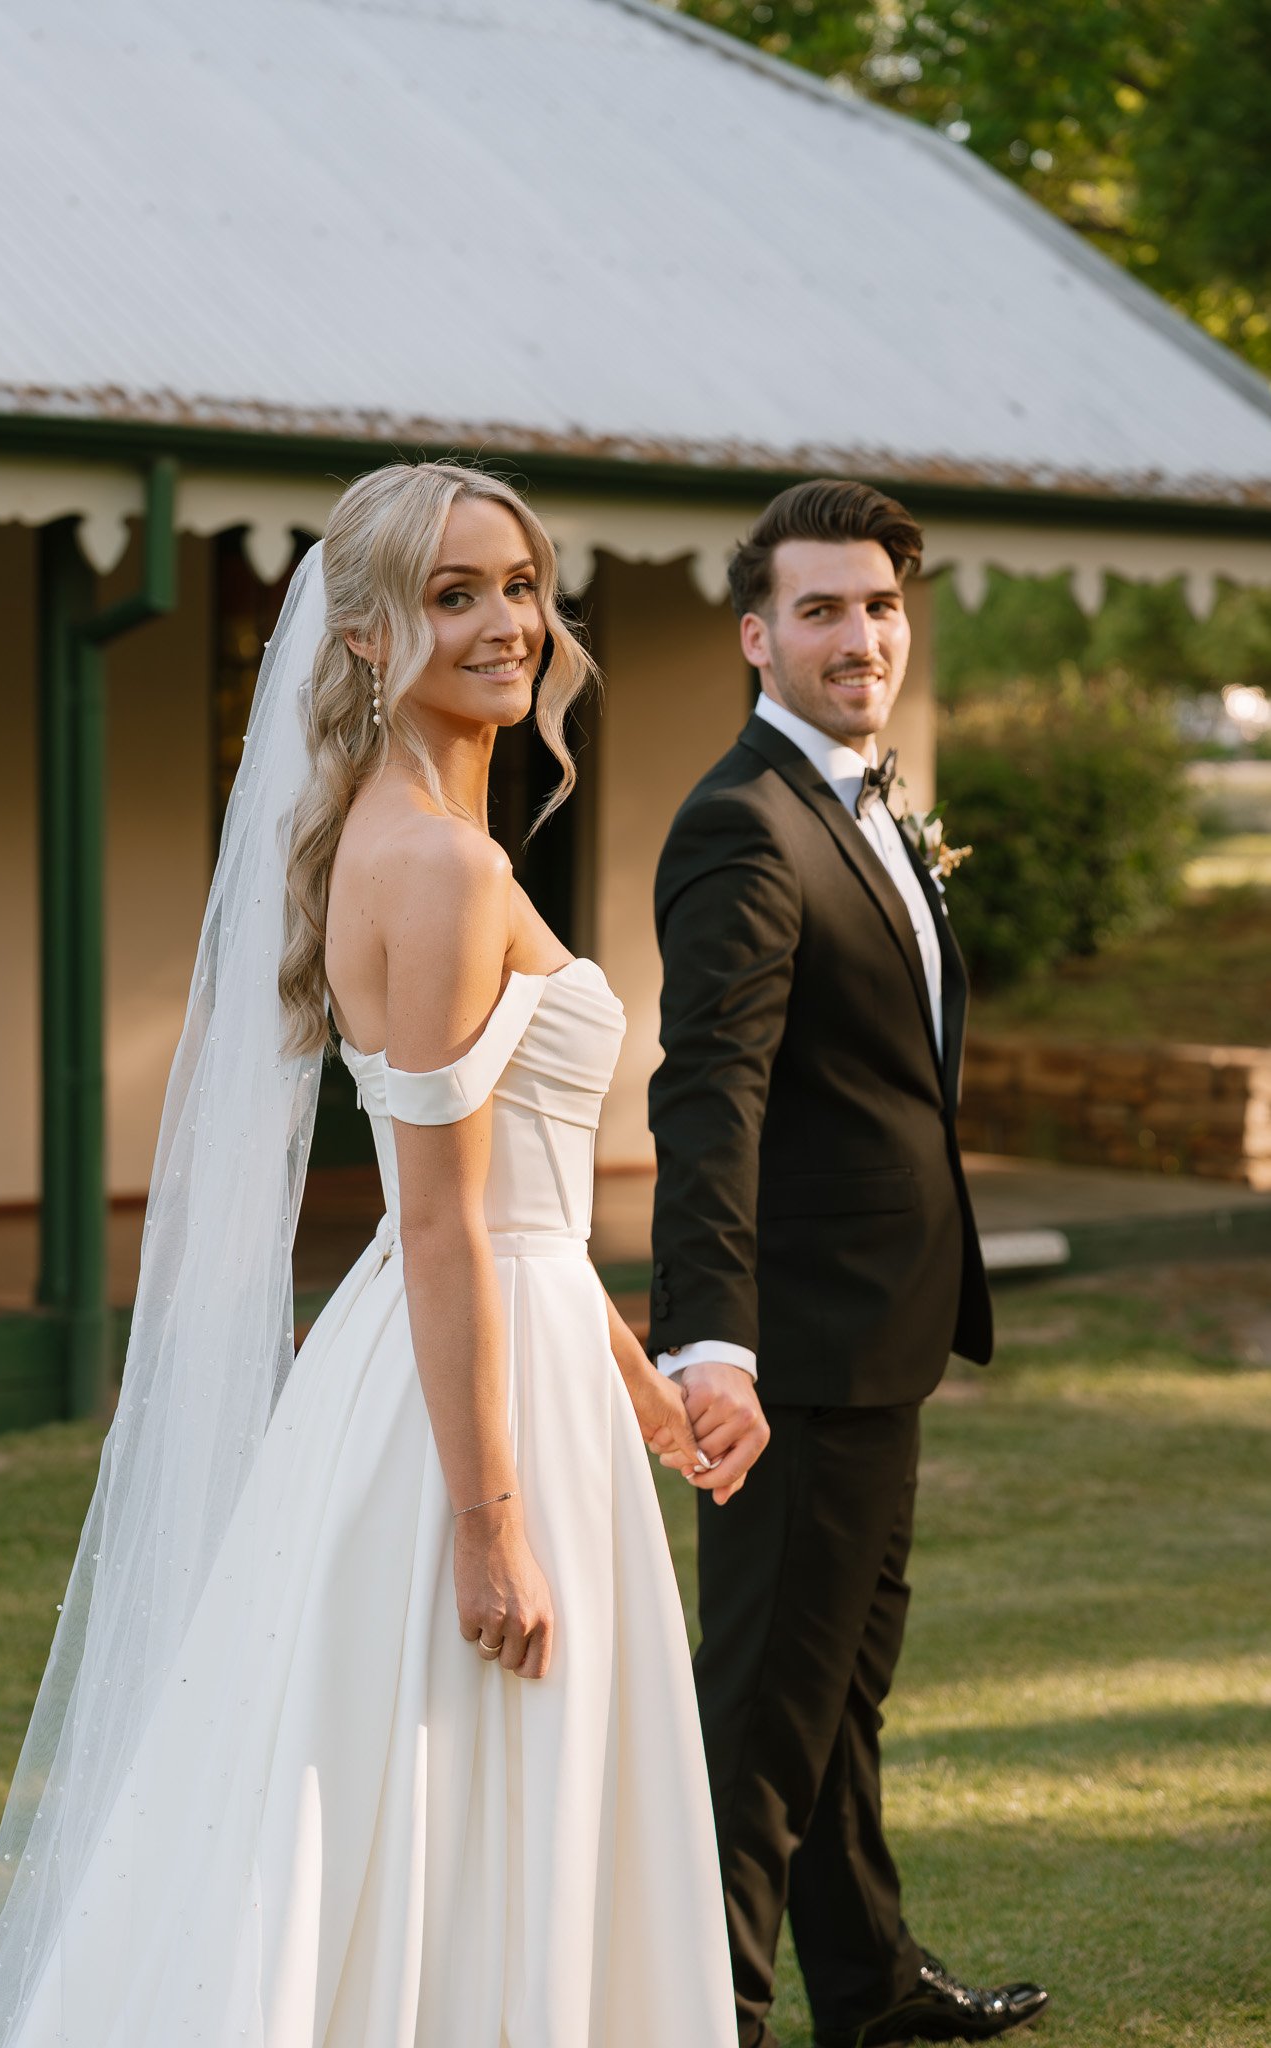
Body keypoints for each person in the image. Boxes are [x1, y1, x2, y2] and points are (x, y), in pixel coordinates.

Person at [0, 462, 738, 2048]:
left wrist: (640, 1385)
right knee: (453, 1784)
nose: (507, 622)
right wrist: (487, 1522)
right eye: (455, 595)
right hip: (467, 1404)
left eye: (518, 584)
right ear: (367, 637)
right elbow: (439, 1216)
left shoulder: (417, 832)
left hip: (513, 1341)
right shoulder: (438, 866)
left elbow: (512, 1205)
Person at [647, 480, 1049, 2048]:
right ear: (756, 637)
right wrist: (713, 1345)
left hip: (880, 1332)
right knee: (759, 1720)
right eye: (818, 609)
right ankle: (707, 2018)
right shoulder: (741, 823)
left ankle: (869, 1989)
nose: (857, 634)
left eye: (877, 605)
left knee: (837, 1703)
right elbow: (709, 1094)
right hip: (793, 1354)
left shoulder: (870, 801)